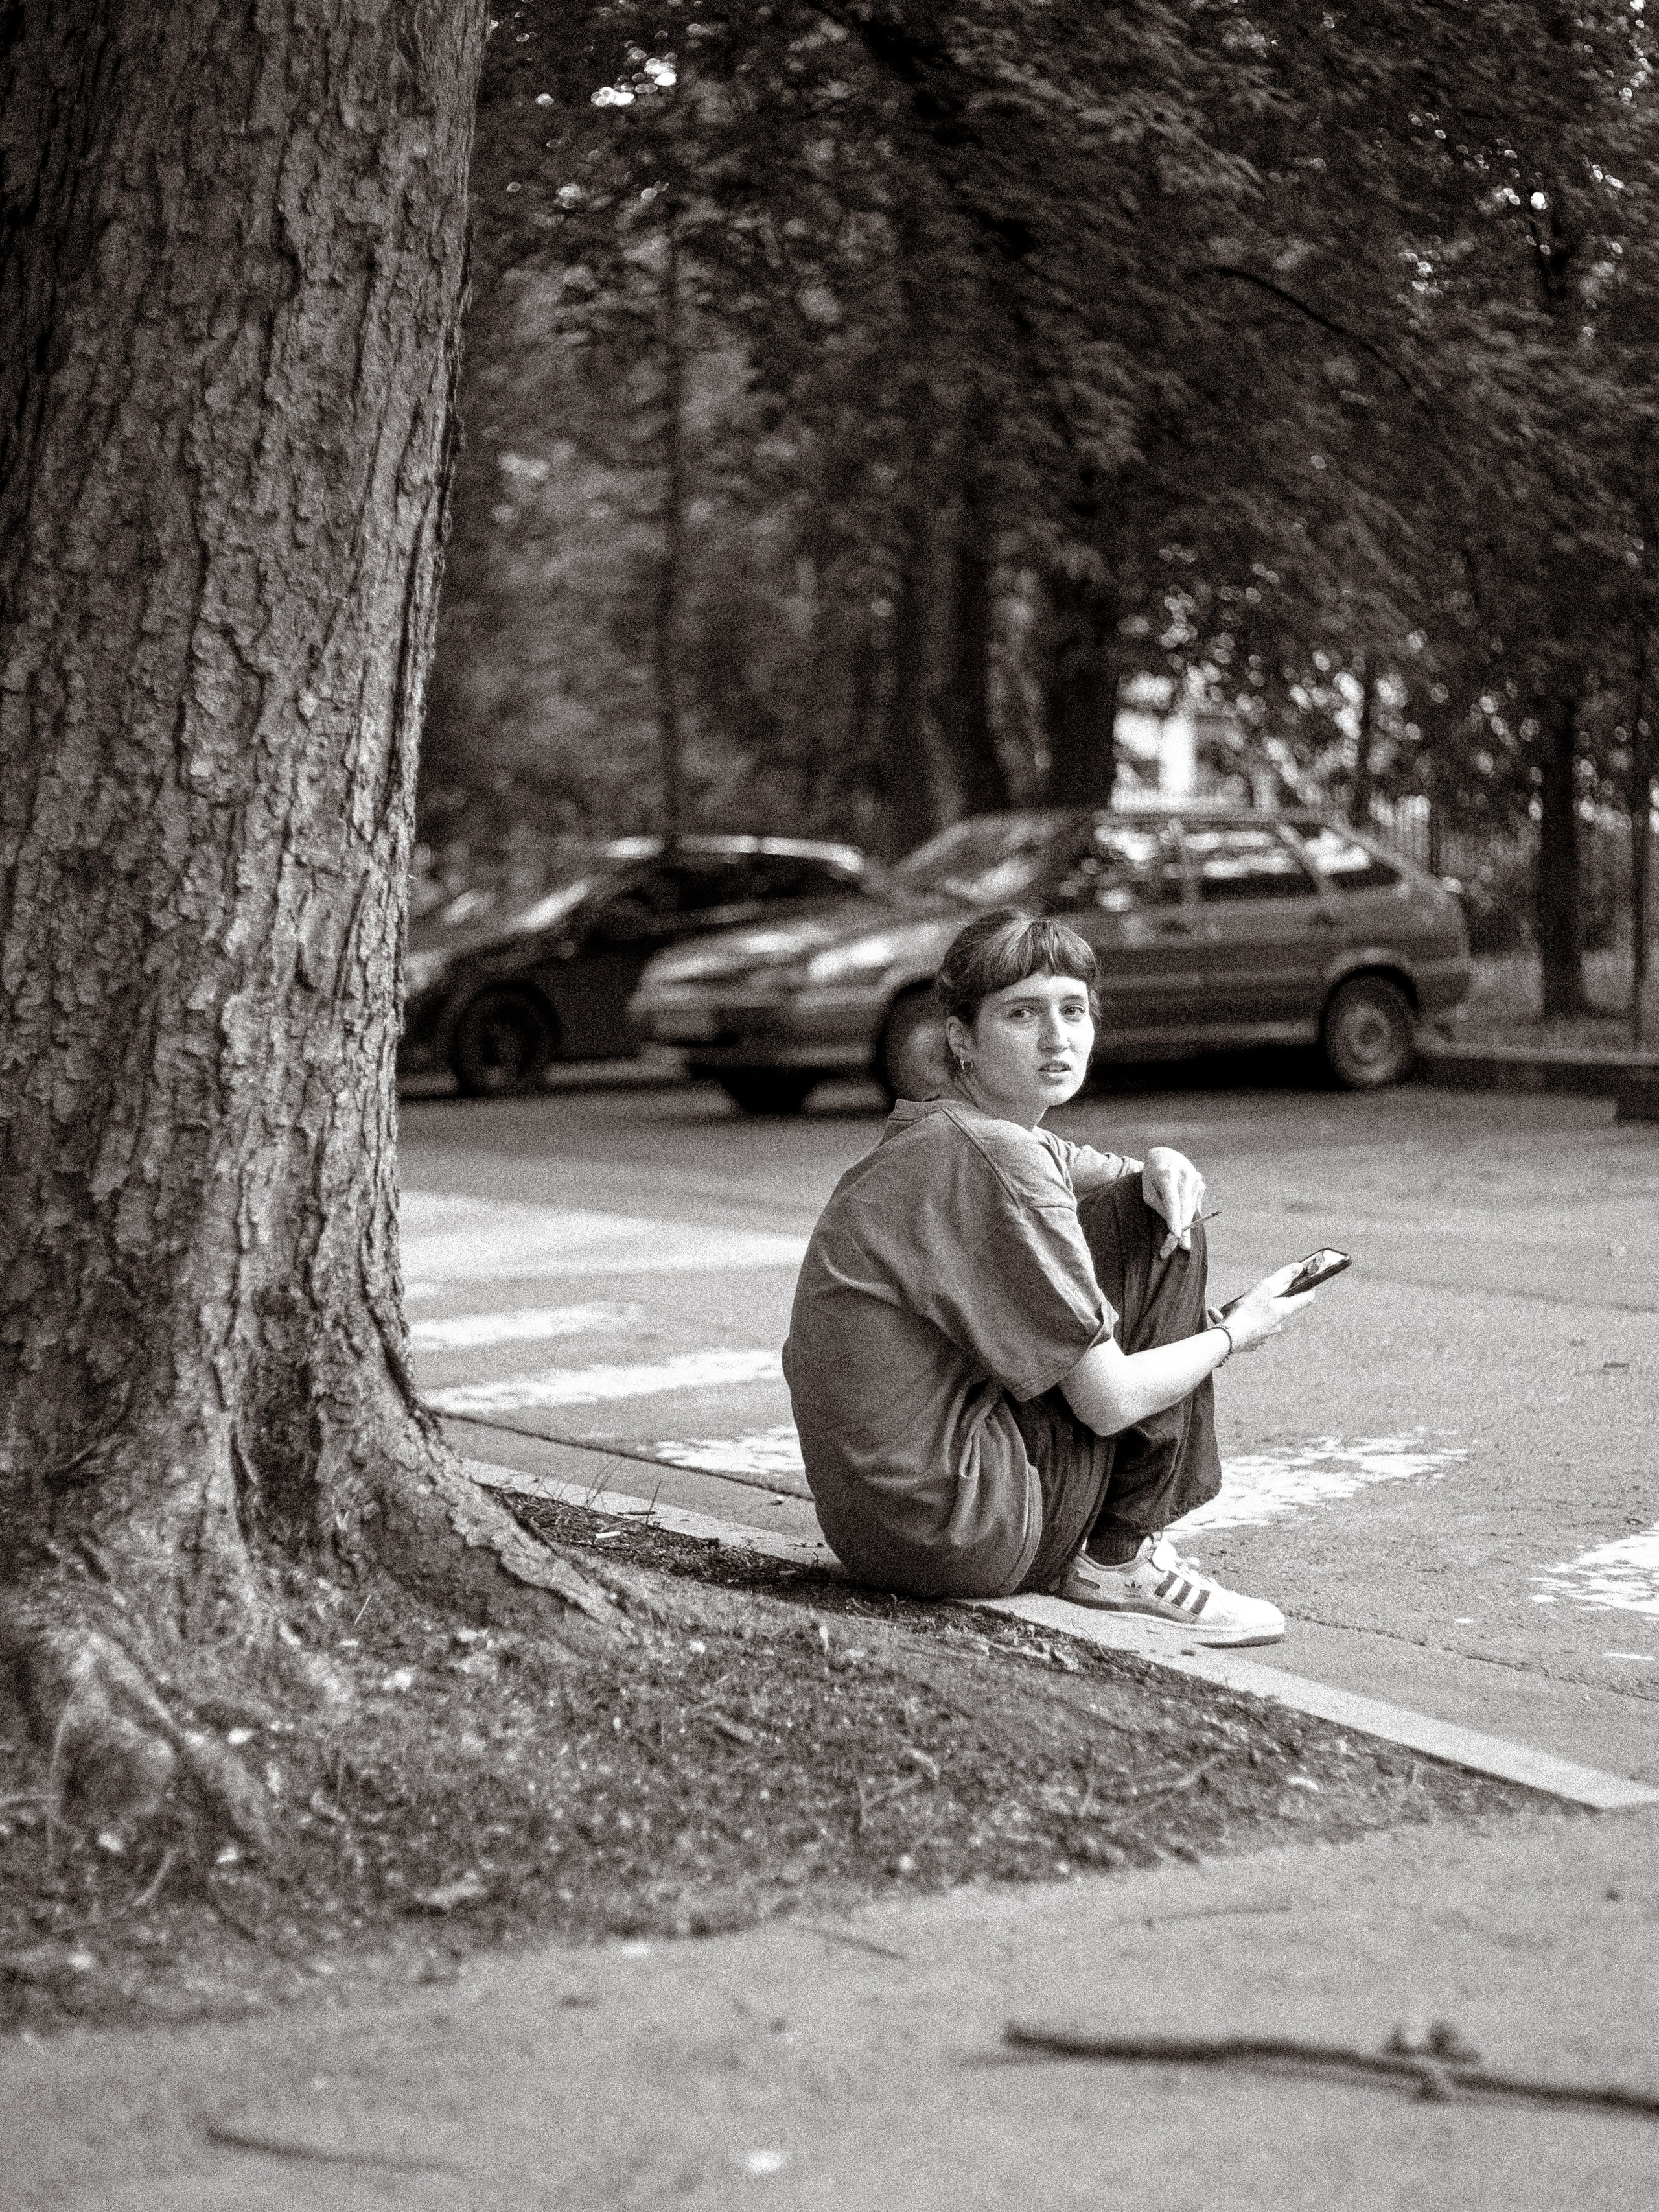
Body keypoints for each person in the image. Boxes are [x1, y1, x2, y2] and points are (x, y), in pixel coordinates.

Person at [781, 907, 1316, 1647]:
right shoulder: (997, 1158)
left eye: (1073, 1010)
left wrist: (1159, 1158)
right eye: (1022, 1013)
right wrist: (1235, 1332)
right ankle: (1121, 1551)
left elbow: (1102, 1177)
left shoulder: (936, 1130)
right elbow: (1107, 1402)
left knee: (1154, 1202)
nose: (1056, 1037)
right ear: (961, 1038)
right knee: (1171, 1229)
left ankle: (1110, 1543)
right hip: (972, 1529)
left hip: (879, 1532)